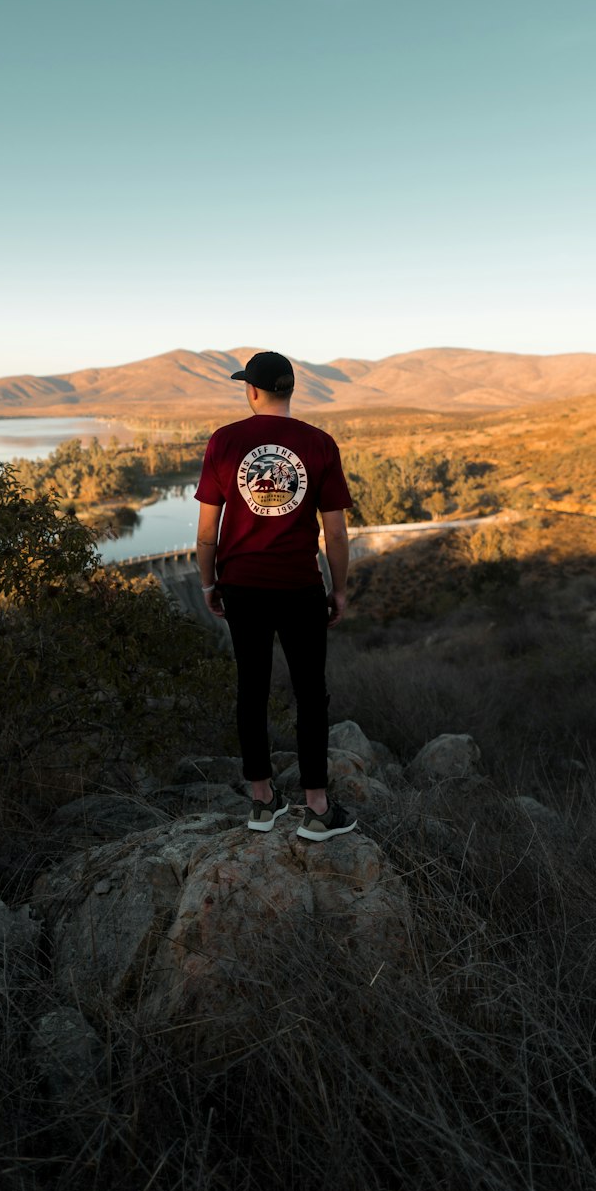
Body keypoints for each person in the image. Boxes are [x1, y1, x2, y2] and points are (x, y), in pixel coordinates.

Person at [195, 350, 357, 840]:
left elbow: (207, 532)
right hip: (299, 586)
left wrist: (208, 583)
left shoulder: (225, 442)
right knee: (311, 695)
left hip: (242, 586)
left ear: (252, 390)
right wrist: (340, 589)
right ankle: (316, 808)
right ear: (289, 390)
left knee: (252, 691)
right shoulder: (319, 444)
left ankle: (262, 802)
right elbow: (337, 533)